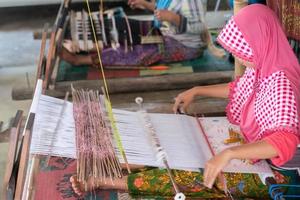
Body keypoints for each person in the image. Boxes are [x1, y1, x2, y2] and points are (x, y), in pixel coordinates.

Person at [70, 4, 299, 199]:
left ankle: (106, 180)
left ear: (260, 43)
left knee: (196, 175)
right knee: (182, 145)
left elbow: (284, 140)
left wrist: (229, 154)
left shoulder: (281, 82)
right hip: (256, 151)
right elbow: (239, 89)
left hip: (277, 175)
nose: (238, 57)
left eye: (242, 50)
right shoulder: (266, 66)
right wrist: (198, 90)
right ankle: (127, 164)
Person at [60, 0, 225, 68]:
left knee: (134, 51)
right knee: (124, 27)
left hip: (186, 45)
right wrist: (145, 4)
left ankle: (81, 59)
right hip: (165, 30)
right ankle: (87, 45)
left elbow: (199, 27)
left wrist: (174, 18)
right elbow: (161, 9)